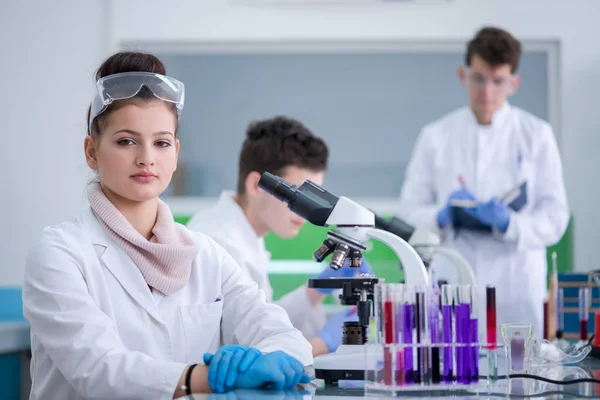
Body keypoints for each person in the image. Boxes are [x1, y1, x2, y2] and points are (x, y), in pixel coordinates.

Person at [22, 52, 313, 400]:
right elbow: (100, 370)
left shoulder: (206, 255)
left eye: (161, 143)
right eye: (126, 141)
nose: (147, 157)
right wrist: (213, 377)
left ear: (175, 153)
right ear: (91, 152)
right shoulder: (60, 253)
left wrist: (261, 362)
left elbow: (286, 338)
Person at [398, 27, 569, 338]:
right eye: (478, 78)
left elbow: (556, 218)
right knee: (451, 375)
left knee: (522, 378)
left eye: (498, 81)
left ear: (514, 83)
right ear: (463, 74)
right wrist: (440, 216)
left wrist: (510, 224)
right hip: (453, 282)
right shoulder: (435, 136)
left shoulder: (536, 134)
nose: (487, 92)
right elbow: (410, 212)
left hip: (516, 286)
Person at [187, 116, 372, 358]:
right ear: (257, 185)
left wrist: (317, 290)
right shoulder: (220, 241)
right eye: (300, 196)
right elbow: (247, 356)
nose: (308, 212)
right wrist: (323, 343)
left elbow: (261, 318)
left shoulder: (246, 233)